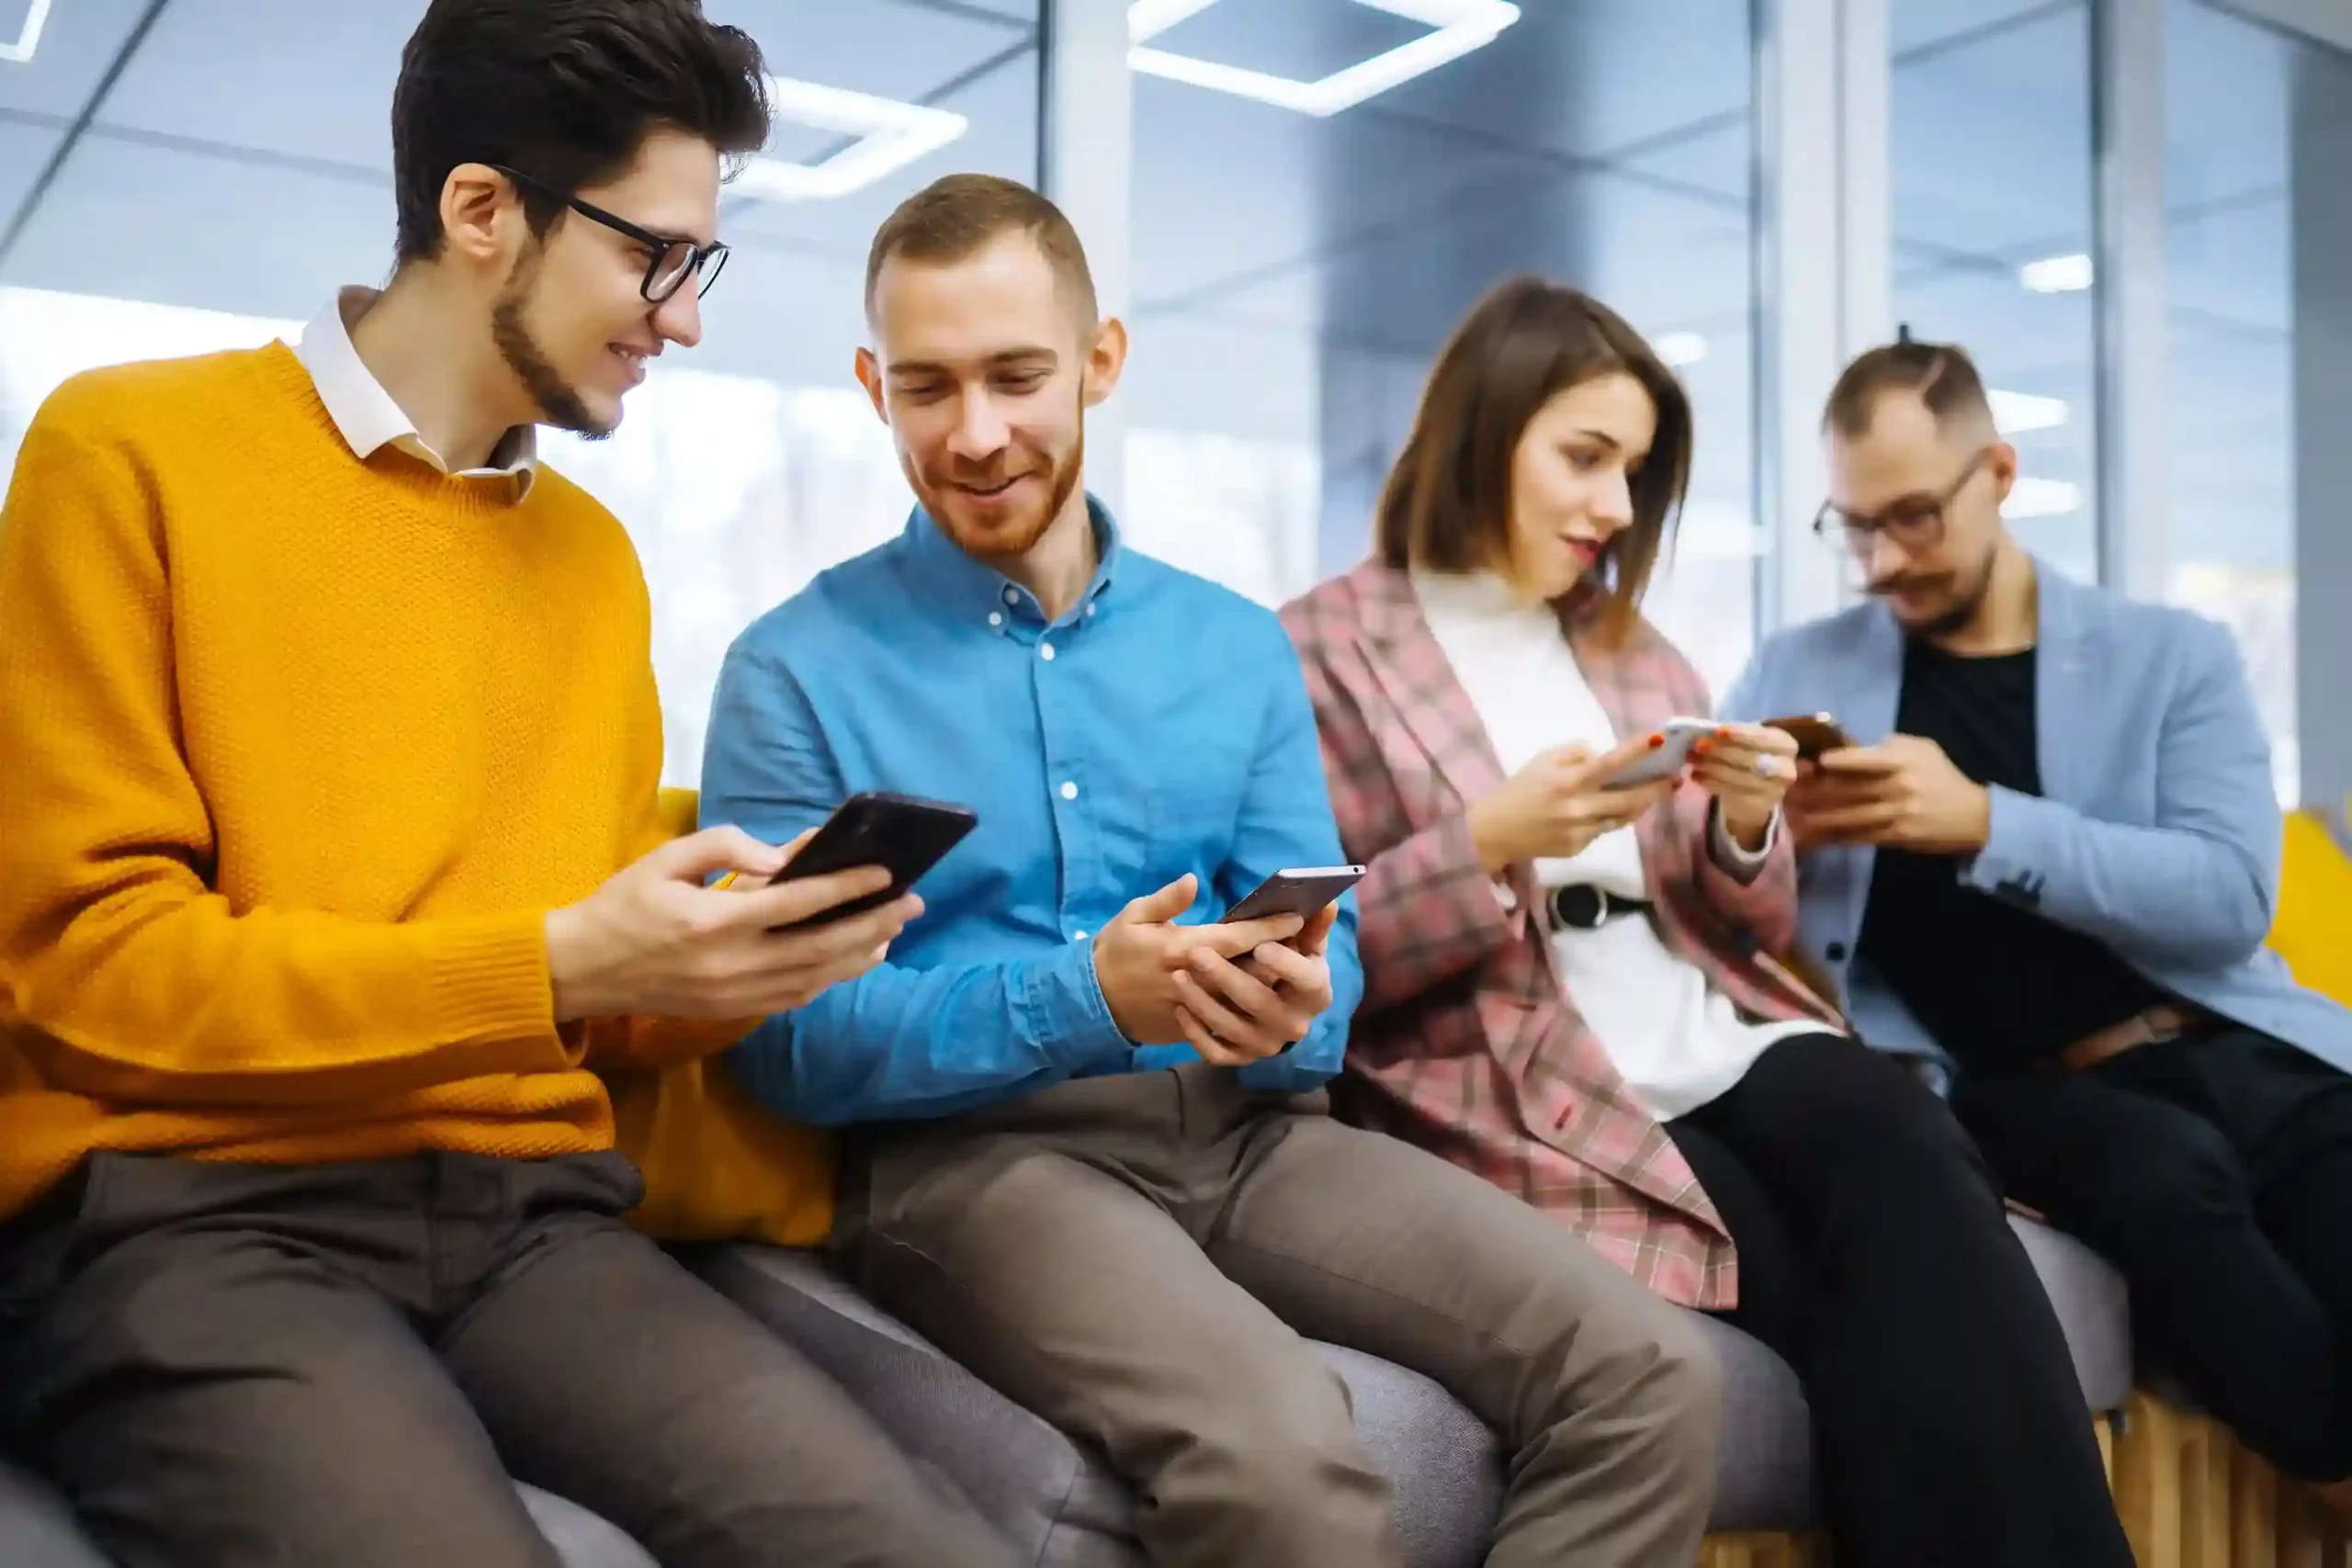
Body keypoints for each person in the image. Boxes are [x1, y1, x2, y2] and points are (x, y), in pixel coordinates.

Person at [0, 5, 1022, 1566]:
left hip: (525, 1215)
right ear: (484, 213)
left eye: (700, 267)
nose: (682, 320)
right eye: (656, 259)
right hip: (188, 1216)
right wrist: (557, 959)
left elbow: (584, 1001)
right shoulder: (126, 453)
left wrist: (732, 959)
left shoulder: (592, 563)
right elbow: (91, 966)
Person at [700, 174, 1724, 1568]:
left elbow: (1335, 947)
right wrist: (1090, 998)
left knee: (1649, 1372)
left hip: (1248, 1131)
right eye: (928, 387)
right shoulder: (792, 671)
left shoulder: (1234, 645)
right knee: (1288, 1464)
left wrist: (1294, 1000)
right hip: (978, 1168)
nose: (977, 432)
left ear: (1101, 362)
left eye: (1017, 375)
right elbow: (783, 1042)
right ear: (874, 383)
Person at [1279, 280, 2134, 1568]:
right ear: (1482, 429)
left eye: (1633, 471)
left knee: (1906, 1136)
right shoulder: (1318, 652)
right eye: (1585, 458)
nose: (1616, 509)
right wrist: (1489, 841)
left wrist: (1744, 824)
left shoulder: (1633, 647)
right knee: (1847, 1277)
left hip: (1709, 1022)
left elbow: (1748, 918)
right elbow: (1315, 963)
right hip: (1523, 1071)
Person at [1724, 333, 2352, 1503]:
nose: (1877, 562)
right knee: (2171, 1180)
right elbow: (1711, 900)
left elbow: (2230, 904)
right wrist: (1764, 836)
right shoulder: (1792, 672)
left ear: (1999, 475)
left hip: (2242, 1040)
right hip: (2022, 1091)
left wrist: (1983, 824)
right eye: (1851, 526)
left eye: (1911, 518)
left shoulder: (2174, 657)